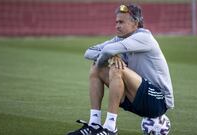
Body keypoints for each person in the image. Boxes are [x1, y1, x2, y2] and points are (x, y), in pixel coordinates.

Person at [67, 4, 174, 135]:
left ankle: (110, 128)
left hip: (158, 101)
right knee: (96, 66)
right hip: (135, 98)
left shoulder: (144, 37)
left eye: (121, 22)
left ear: (135, 23)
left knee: (117, 67)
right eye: (116, 22)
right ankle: (94, 124)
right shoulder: (120, 39)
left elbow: (107, 50)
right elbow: (88, 52)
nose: (117, 26)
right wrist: (110, 56)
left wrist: (111, 56)